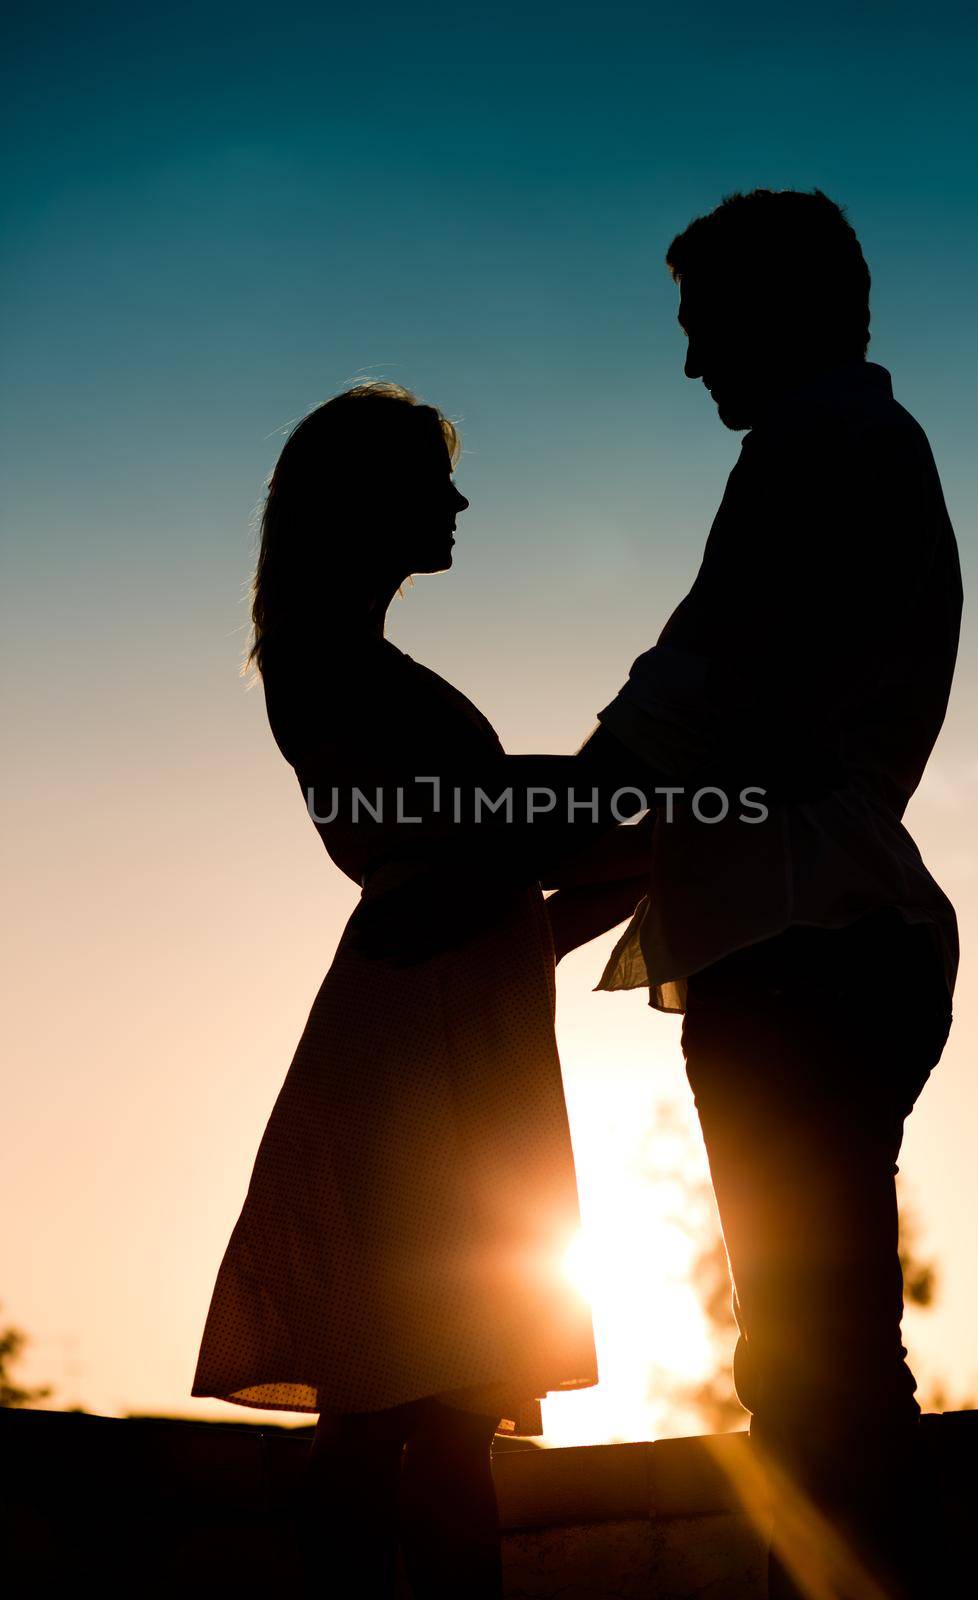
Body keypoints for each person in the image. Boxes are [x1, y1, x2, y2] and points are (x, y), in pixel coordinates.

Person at [354, 188, 963, 1599]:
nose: (689, 362)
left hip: (806, 950)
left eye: (702, 326)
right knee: (815, 1359)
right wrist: (537, 892)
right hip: (831, 935)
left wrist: (483, 868)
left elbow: (678, 729)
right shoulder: (856, 448)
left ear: (777, 310)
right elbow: (713, 761)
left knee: (813, 1372)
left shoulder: (817, 451)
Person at [189, 382, 646, 1598]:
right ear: (362, 501)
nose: (454, 499)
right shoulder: (322, 662)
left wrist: (627, 839)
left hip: (462, 1025)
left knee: (441, 1401)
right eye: (428, 477)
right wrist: (646, 775)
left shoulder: (363, 668)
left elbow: (495, 883)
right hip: (415, 1042)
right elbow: (474, 830)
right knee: (405, 1401)